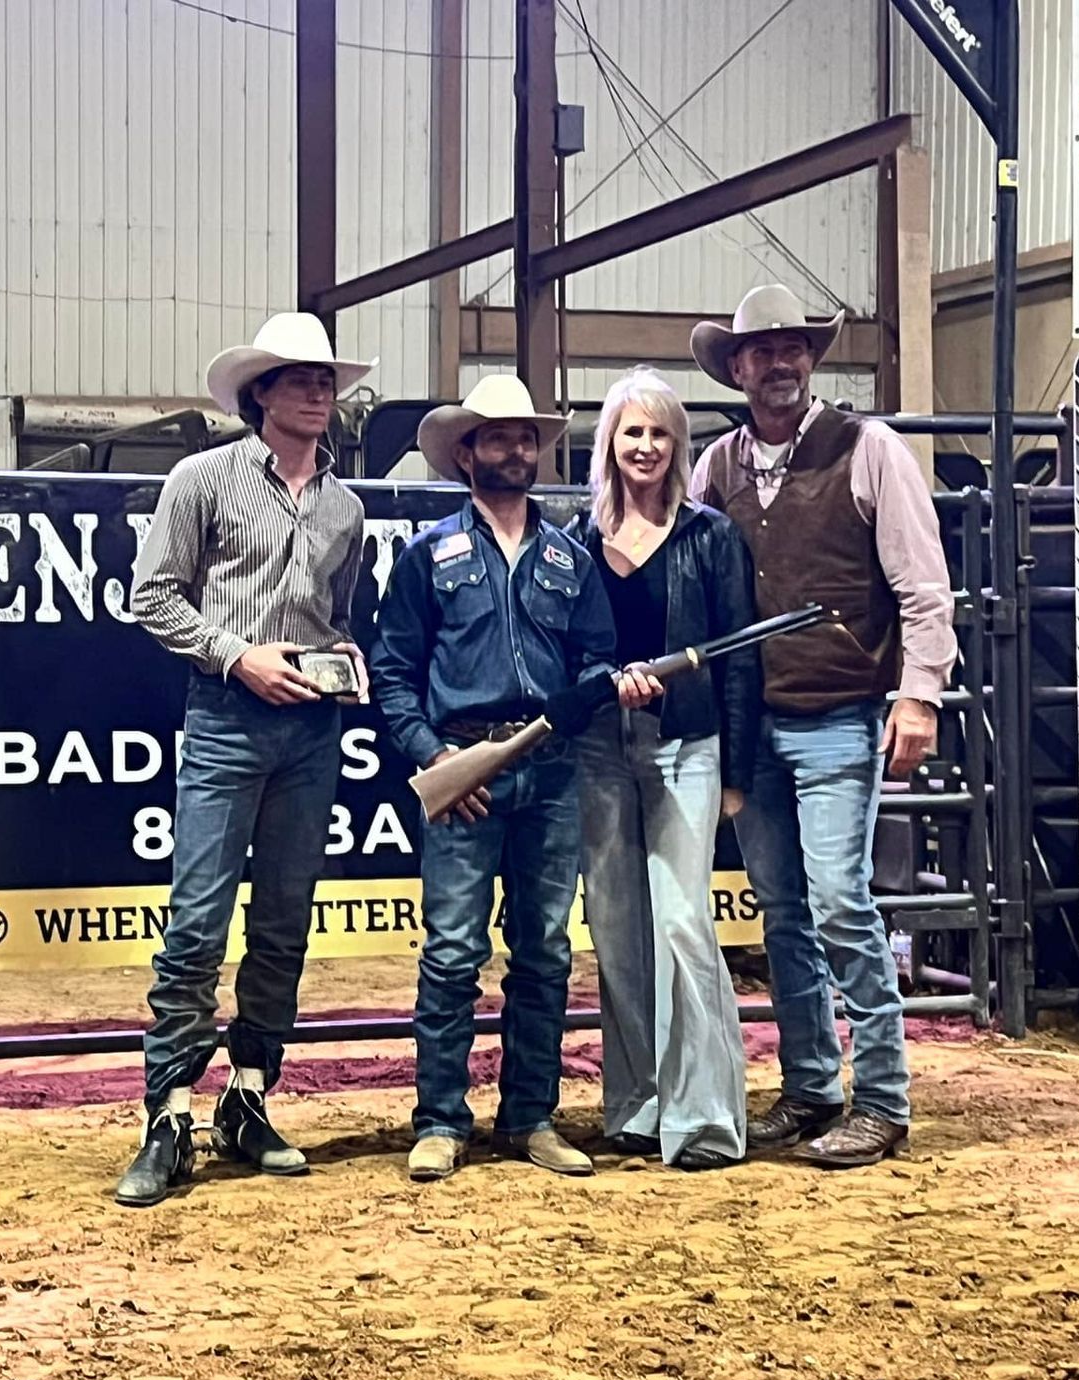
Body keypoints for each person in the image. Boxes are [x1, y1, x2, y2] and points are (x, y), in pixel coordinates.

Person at [689, 284, 957, 1169]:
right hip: (750, 719)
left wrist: (918, 692)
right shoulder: (715, 468)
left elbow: (922, 587)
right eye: (762, 350)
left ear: (811, 358)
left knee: (839, 901)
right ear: (736, 368)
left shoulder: (869, 449)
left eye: (794, 347)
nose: (781, 362)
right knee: (783, 911)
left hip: (840, 712)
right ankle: (812, 1088)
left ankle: (882, 1098)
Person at [114, 312, 376, 1207]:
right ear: (261, 391)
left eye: (326, 380)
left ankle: (249, 1095)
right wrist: (237, 656)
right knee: (196, 921)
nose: (317, 392)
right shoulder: (202, 480)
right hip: (226, 716)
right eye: (299, 378)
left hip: (311, 728)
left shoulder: (348, 507)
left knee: (283, 925)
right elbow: (149, 598)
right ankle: (167, 1113)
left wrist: (343, 659)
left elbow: (339, 613)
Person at [370, 375, 649, 1183]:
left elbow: (594, 656)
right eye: (499, 437)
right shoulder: (427, 557)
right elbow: (393, 671)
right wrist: (436, 761)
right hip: (464, 773)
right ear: (467, 453)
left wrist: (602, 685)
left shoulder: (570, 557)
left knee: (546, 954)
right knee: (453, 952)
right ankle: (441, 1120)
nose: (518, 450)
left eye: (527, 437)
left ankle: (530, 1115)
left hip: (551, 772)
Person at [563, 367, 762, 1170]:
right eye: (631, 431)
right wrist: (601, 684)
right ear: (608, 442)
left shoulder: (711, 537)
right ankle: (637, 1106)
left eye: (659, 432)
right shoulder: (573, 541)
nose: (644, 446)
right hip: (599, 753)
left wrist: (737, 772)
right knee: (615, 931)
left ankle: (706, 1118)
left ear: (679, 445)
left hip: (688, 747)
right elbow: (565, 653)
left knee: (683, 924)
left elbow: (742, 661)